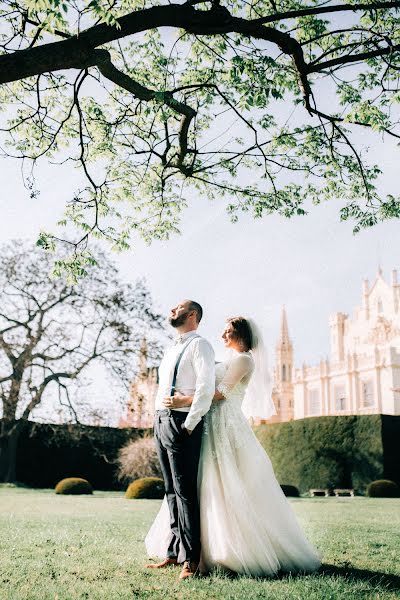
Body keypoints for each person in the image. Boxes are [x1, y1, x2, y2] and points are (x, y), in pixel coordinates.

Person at [145, 316, 321, 577]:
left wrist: (185, 398)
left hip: (224, 424)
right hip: (209, 422)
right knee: (198, 485)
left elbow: (221, 393)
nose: (223, 335)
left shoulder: (244, 360)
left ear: (241, 335)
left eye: (228, 331)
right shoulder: (228, 360)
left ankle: (223, 550)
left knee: (224, 482)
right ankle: (185, 549)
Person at [145, 300, 215, 580]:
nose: (172, 310)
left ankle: (192, 560)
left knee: (185, 493)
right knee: (170, 490)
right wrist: (156, 418)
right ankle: (174, 554)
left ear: (193, 314)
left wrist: (188, 425)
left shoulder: (200, 346)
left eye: (178, 308)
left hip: (181, 422)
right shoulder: (171, 347)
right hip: (160, 421)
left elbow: (205, 387)